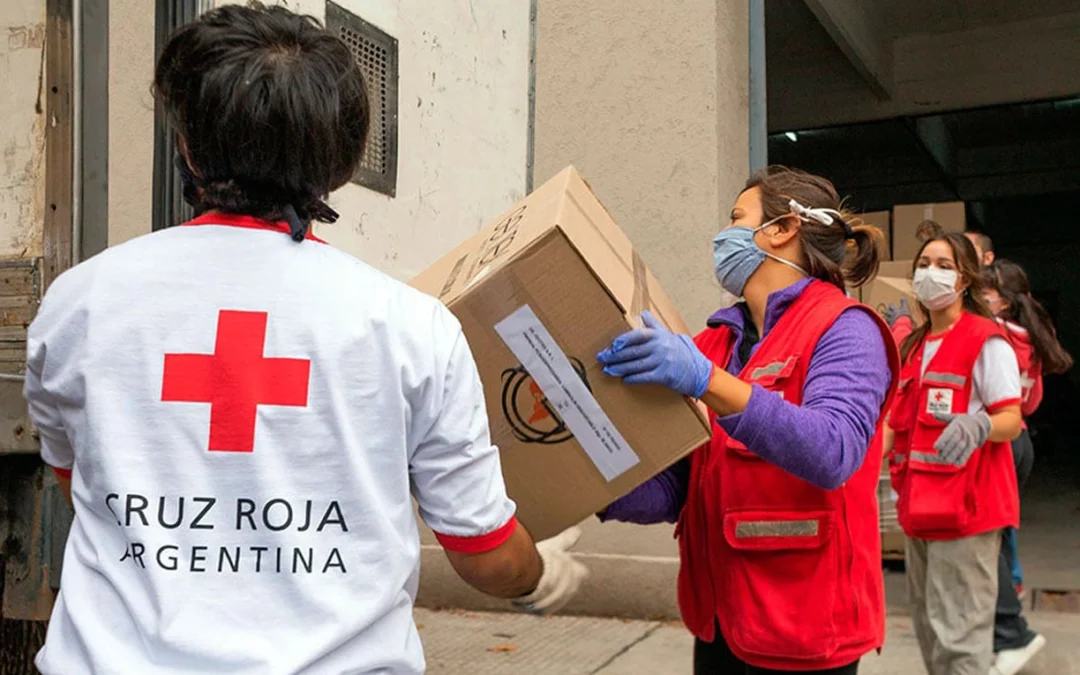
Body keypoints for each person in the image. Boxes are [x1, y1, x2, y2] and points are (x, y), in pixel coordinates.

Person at [24, 5, 585, 673]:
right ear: (341, 165)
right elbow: (484, 552)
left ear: (186, 144)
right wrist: (535, 573)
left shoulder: (79, 302)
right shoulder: (409, 326)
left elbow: (81, 479)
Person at [597, 166, 898, 674]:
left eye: (739, 218)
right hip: (721, 621)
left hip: (805, 628)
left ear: (783, 229)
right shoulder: (714, 343)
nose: (724, 235)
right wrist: (585, 477)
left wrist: (705, 381)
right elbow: (678, 488)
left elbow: (833, 452)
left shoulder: (845, 329)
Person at [884, 233, 1023, 675]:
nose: (931, 272)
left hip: (967, 513)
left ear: (964, 278)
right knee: (929, 632)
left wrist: (980, 423)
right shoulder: (913, 347)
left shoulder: (986, 341)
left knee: (960, 642)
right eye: (924, 262)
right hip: (919, 511)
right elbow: (894, 423)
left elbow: (1011, 419)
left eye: (944, 264)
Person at [982, 259, 1072, 675]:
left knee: (988, 538)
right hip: (1018, 438)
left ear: (1000, 300)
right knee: (999, 532)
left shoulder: (992, 337)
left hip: (996, 443)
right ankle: (1005, 617)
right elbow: (1031, 404)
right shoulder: (1031, 337)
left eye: (983, 292)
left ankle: (1011, 631)